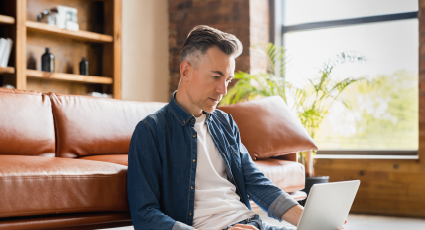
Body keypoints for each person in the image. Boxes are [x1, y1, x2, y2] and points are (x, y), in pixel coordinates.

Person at [126, 25, 347, 230]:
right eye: (216, 76)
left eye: (228, 79)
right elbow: (145, 215)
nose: (223, 90)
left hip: (252, 225)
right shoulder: (151, 131)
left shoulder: (225, 123)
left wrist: (310, 219)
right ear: (185, 72)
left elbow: (255, 181)